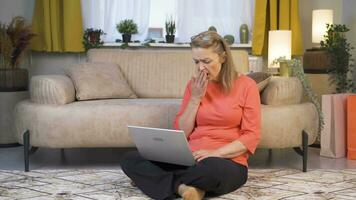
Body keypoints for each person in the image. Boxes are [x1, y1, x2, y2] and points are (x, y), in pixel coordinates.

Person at [120, 31, 261, 200]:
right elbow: (181, 131)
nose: (201, 67)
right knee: (130, 159)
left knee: (209, 171)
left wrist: (215, 153)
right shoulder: (194, 86)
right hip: (191, 157)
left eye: (206, 61)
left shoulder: (247, 86)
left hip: (225, 161)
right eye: (196, 62)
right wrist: (195, 98)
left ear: (223, 57)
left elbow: (251, 136)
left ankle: (157, 180)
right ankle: (185, 188)